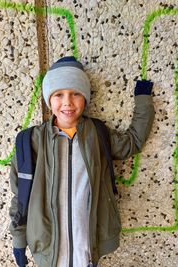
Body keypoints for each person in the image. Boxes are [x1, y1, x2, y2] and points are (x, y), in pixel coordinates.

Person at [9, 56, 155, 267]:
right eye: (59, 94)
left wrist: (143, 100)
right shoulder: (31, 141)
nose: (67, 102)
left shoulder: (97, 135)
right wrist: (19, 240)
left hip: (87, 243)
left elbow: (132, 142)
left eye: (75, 93)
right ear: (49, 99)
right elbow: (20, 195)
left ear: (85, 99)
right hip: (48, 246)